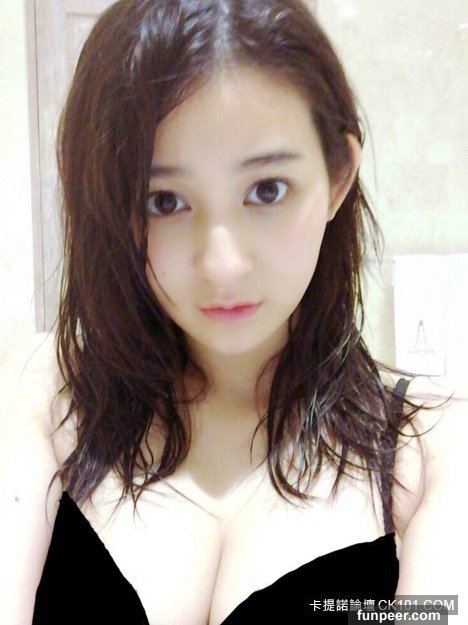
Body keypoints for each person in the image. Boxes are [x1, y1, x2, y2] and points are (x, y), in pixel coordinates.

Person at [0, 1, 466, 623]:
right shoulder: (43, 397)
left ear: (337, 177)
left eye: (266, 190)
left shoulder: (432, 449)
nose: (222, 264)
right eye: (164, 201)